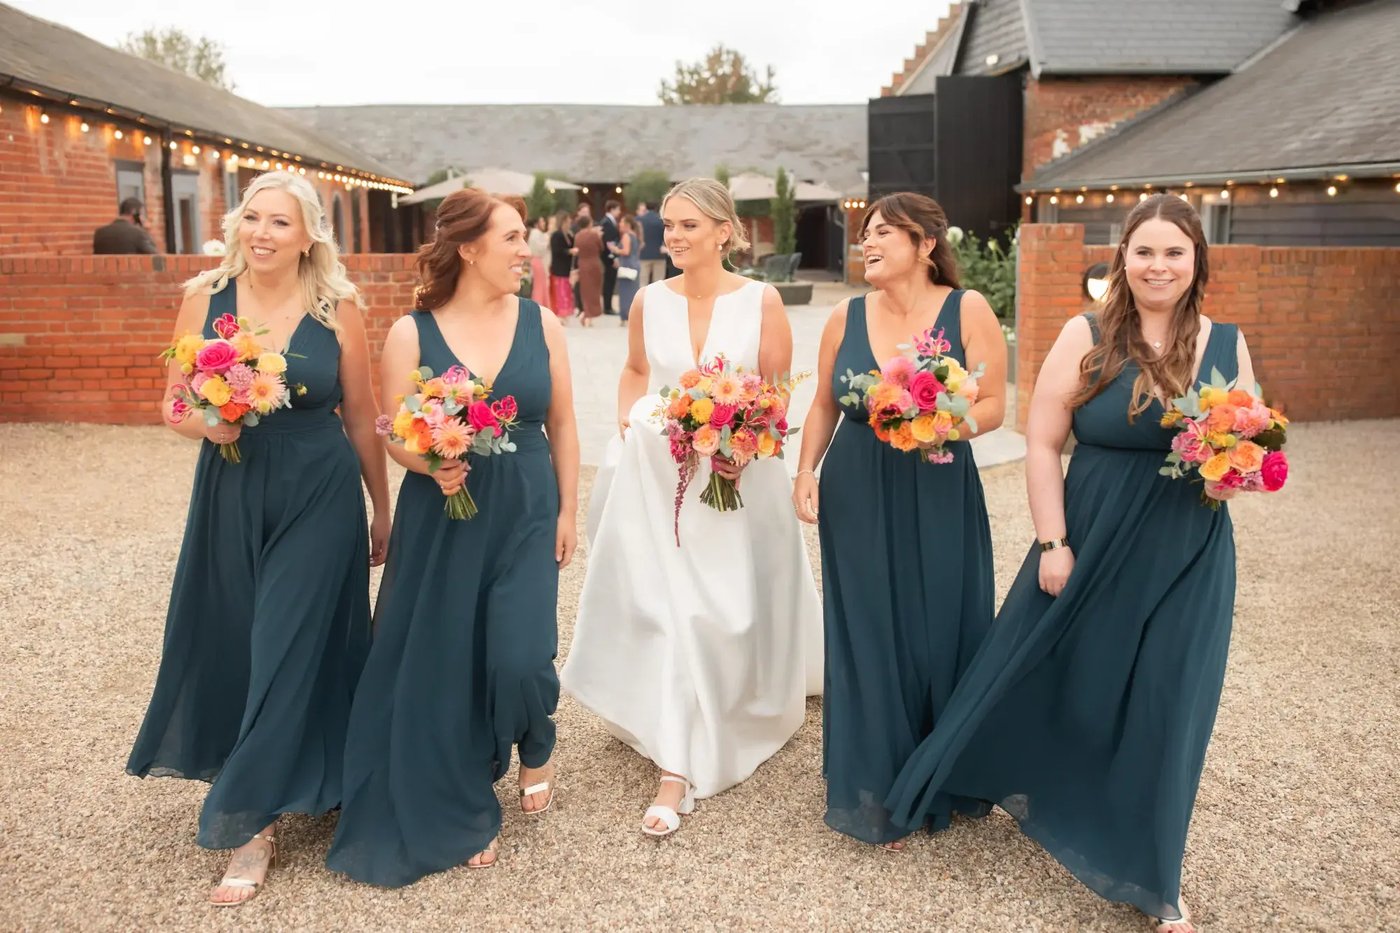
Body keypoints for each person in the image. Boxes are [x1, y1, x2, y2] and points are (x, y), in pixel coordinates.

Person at [884, 194, 1254, 933]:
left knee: (1171, 704)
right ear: (1123, 259)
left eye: (1174, 252)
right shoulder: (1086, 335)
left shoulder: (1227, 343)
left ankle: (1154, 879)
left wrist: (1233, 468)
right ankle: (965, 775)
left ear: (1197, 261)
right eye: (1144, 251)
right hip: (1091, 535)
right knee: (1039, 672)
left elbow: (1247, 440)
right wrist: (1054, 543)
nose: (1158, 266)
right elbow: (1044, 442)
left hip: (1189, 550)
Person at [126, 170, 390, 906]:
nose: (262, 233)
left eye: (279, 222)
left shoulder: (337, 308)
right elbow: (173, 404)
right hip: (232, 489)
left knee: (287, 638)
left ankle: (251, 822)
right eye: (252, 218)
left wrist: (383, 508)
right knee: (242, 637)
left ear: (308, 236)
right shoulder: (204, 298)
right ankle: (297, 770)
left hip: (319, 491)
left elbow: (361, 413)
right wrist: (207, 424)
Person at [326, 188, 579, 887]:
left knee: (521, 654)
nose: (525, 250)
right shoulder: (412, 333)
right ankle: (462, 793)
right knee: (446, 657)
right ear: (468, 248)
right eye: (512, 238)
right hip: (443, 514)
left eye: (524, 237)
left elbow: (563, 423)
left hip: (526, 507)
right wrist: (429, 463)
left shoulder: (543, 323)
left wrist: (569, 511)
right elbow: (393, 432)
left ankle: (536, 737)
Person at [562, 178, 822, 837]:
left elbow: (777, 392)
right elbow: (635, 371)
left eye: (687, 225)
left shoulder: (761, 300)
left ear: (723, 233)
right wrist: (628, 420)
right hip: (661, 477)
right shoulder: (648, 300)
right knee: (673, 607)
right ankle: (676, 762)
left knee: (728, 610)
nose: (672, 236)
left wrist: (747, 447)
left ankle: (738, 698)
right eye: (669, 225)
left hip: (741, 479)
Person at [791, 193, 1007, 848]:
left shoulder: (967, 308)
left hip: (937, 480)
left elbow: (994, 405)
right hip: (856, 483)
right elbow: (823, 403)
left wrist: (942, 423)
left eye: (884, 231)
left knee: (940, 618)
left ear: (925, 243)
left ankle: (941, 769)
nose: (869, 242)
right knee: (866, 622)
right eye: (866, 233)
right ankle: (874, 770)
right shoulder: (845, 315)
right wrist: (805, 470)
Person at [93, 196, 157, 254]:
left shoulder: (99, 232)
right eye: (141, 214)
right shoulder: (138, 233)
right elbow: (154, 256)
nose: (143, 218)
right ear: (134, 213)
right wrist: (146, 231)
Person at [610, 214, 643, 325]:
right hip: (635, 265)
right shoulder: (635, 235)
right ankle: (633, 315)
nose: (620, 224)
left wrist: (615, 249)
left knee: (625, 292)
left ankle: (625, 315)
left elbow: (626, 251)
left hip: (627, 266)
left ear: (627, 224)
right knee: (633, 292)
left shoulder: (626, 236)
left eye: (622, 222)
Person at [573, 216, 604, 325]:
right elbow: (601, 247)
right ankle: (589, 315)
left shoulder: (577, 236)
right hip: (594, 263)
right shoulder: (594, 235)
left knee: (585, 290)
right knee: (594, 290)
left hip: (582, 264)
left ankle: (586, 312)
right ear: (589, 223)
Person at [547, 210, 576, 320]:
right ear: (563, 221)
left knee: (566, 290)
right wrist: (569, 251)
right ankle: (560, 313)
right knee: (560, 290)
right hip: (558, 267)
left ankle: (566, 312)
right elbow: (557, 250)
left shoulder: (568, 235)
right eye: (568, 221)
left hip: (566, 267)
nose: (570, 222)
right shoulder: (556, 235)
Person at [600, 199, 623, 314]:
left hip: (610, 256)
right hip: (608, 257)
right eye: (618, 209)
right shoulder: (607, 223)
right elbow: (608, 243)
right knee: (609, 282)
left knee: (610, 281)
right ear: (612, 209)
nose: (619, 211)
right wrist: (613, 258)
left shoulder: (610, 221)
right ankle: (607, 307)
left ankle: (608, 306)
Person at [636, 201, 666, 285]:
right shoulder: (661, 220)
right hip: (659, 254)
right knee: (658, 283)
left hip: (643, 254)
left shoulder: (639, 219)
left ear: (646, 208)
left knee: (642, 282)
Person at [528, 214, 551, 306]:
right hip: (537, 261)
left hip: (537, 261)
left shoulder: (537, 233)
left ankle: (542, 304)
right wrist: (548, 242)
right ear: (537, 224)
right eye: (542, 221)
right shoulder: (535, 233)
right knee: (539, 285)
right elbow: (540, 248)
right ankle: (539, 304)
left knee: (541, 285)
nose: (544, 223)